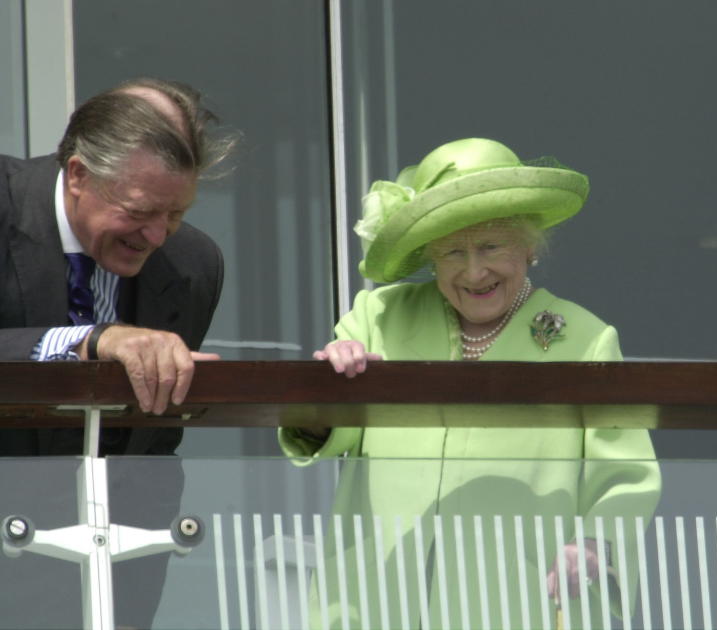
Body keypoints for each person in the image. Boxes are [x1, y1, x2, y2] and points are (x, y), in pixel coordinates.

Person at [280, 138, 661, 629]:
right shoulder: (378, 318)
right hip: (379, 597)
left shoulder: (584, 338)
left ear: (528, 245)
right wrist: (332, 384)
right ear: (431, 259)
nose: (474, 270)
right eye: (452, 252)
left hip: (517, 598)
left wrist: (593, 544)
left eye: (490, 246)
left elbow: (626, 474)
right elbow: (321, 434)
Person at [0, 78, 235, 628]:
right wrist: (90, 339)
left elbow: (154, 447)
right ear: (78, 174)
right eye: (141, 210)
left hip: (100, 581)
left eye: (175, 213)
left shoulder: (194, 263)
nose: (158, 235)